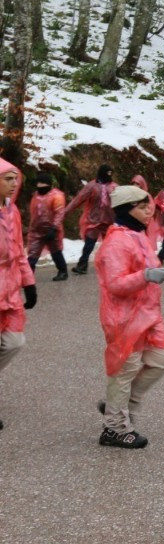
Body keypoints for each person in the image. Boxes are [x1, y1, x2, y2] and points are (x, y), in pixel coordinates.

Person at [94, 185, 164, 448]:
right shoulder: (117, 240)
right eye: (142, 206)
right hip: (124, 318)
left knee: (163, 359)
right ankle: (114, 429)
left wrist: (154, 274)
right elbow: (115, 284)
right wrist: (147, 276)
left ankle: (118, 405)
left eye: (148, 204)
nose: (149, 209)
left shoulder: (139, 234)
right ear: (126, 210)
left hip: (149, 314)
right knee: (124, 371)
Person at [1, 157, 37, 430]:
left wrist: (29, 282)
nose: (14, 184)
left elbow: (19, 249)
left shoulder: (12, 211)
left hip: (10, 290)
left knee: (14, 341)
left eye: (15, 178)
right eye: (7, 179)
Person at [67, 164, 116, 274]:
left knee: (110, 244)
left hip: (109, 220)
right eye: (107, 173)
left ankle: (112, 264)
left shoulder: (114, 186)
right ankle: (82, 265)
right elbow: (79, 199)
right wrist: (65, 211)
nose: (109, 176)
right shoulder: (92, 186)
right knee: (89, 243)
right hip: (94, 219)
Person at [26, 173, 69, 281]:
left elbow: (59, 213)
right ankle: (27, 276)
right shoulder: (36, 195)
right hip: (36, 230)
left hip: (51, 230)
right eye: (39, 186)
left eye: (43, 186)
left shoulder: (56, 196)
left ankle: (63, 271)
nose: (41, 188)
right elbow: (34, 212)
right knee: (32, 254)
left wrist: (54, 228)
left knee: (56, 252)